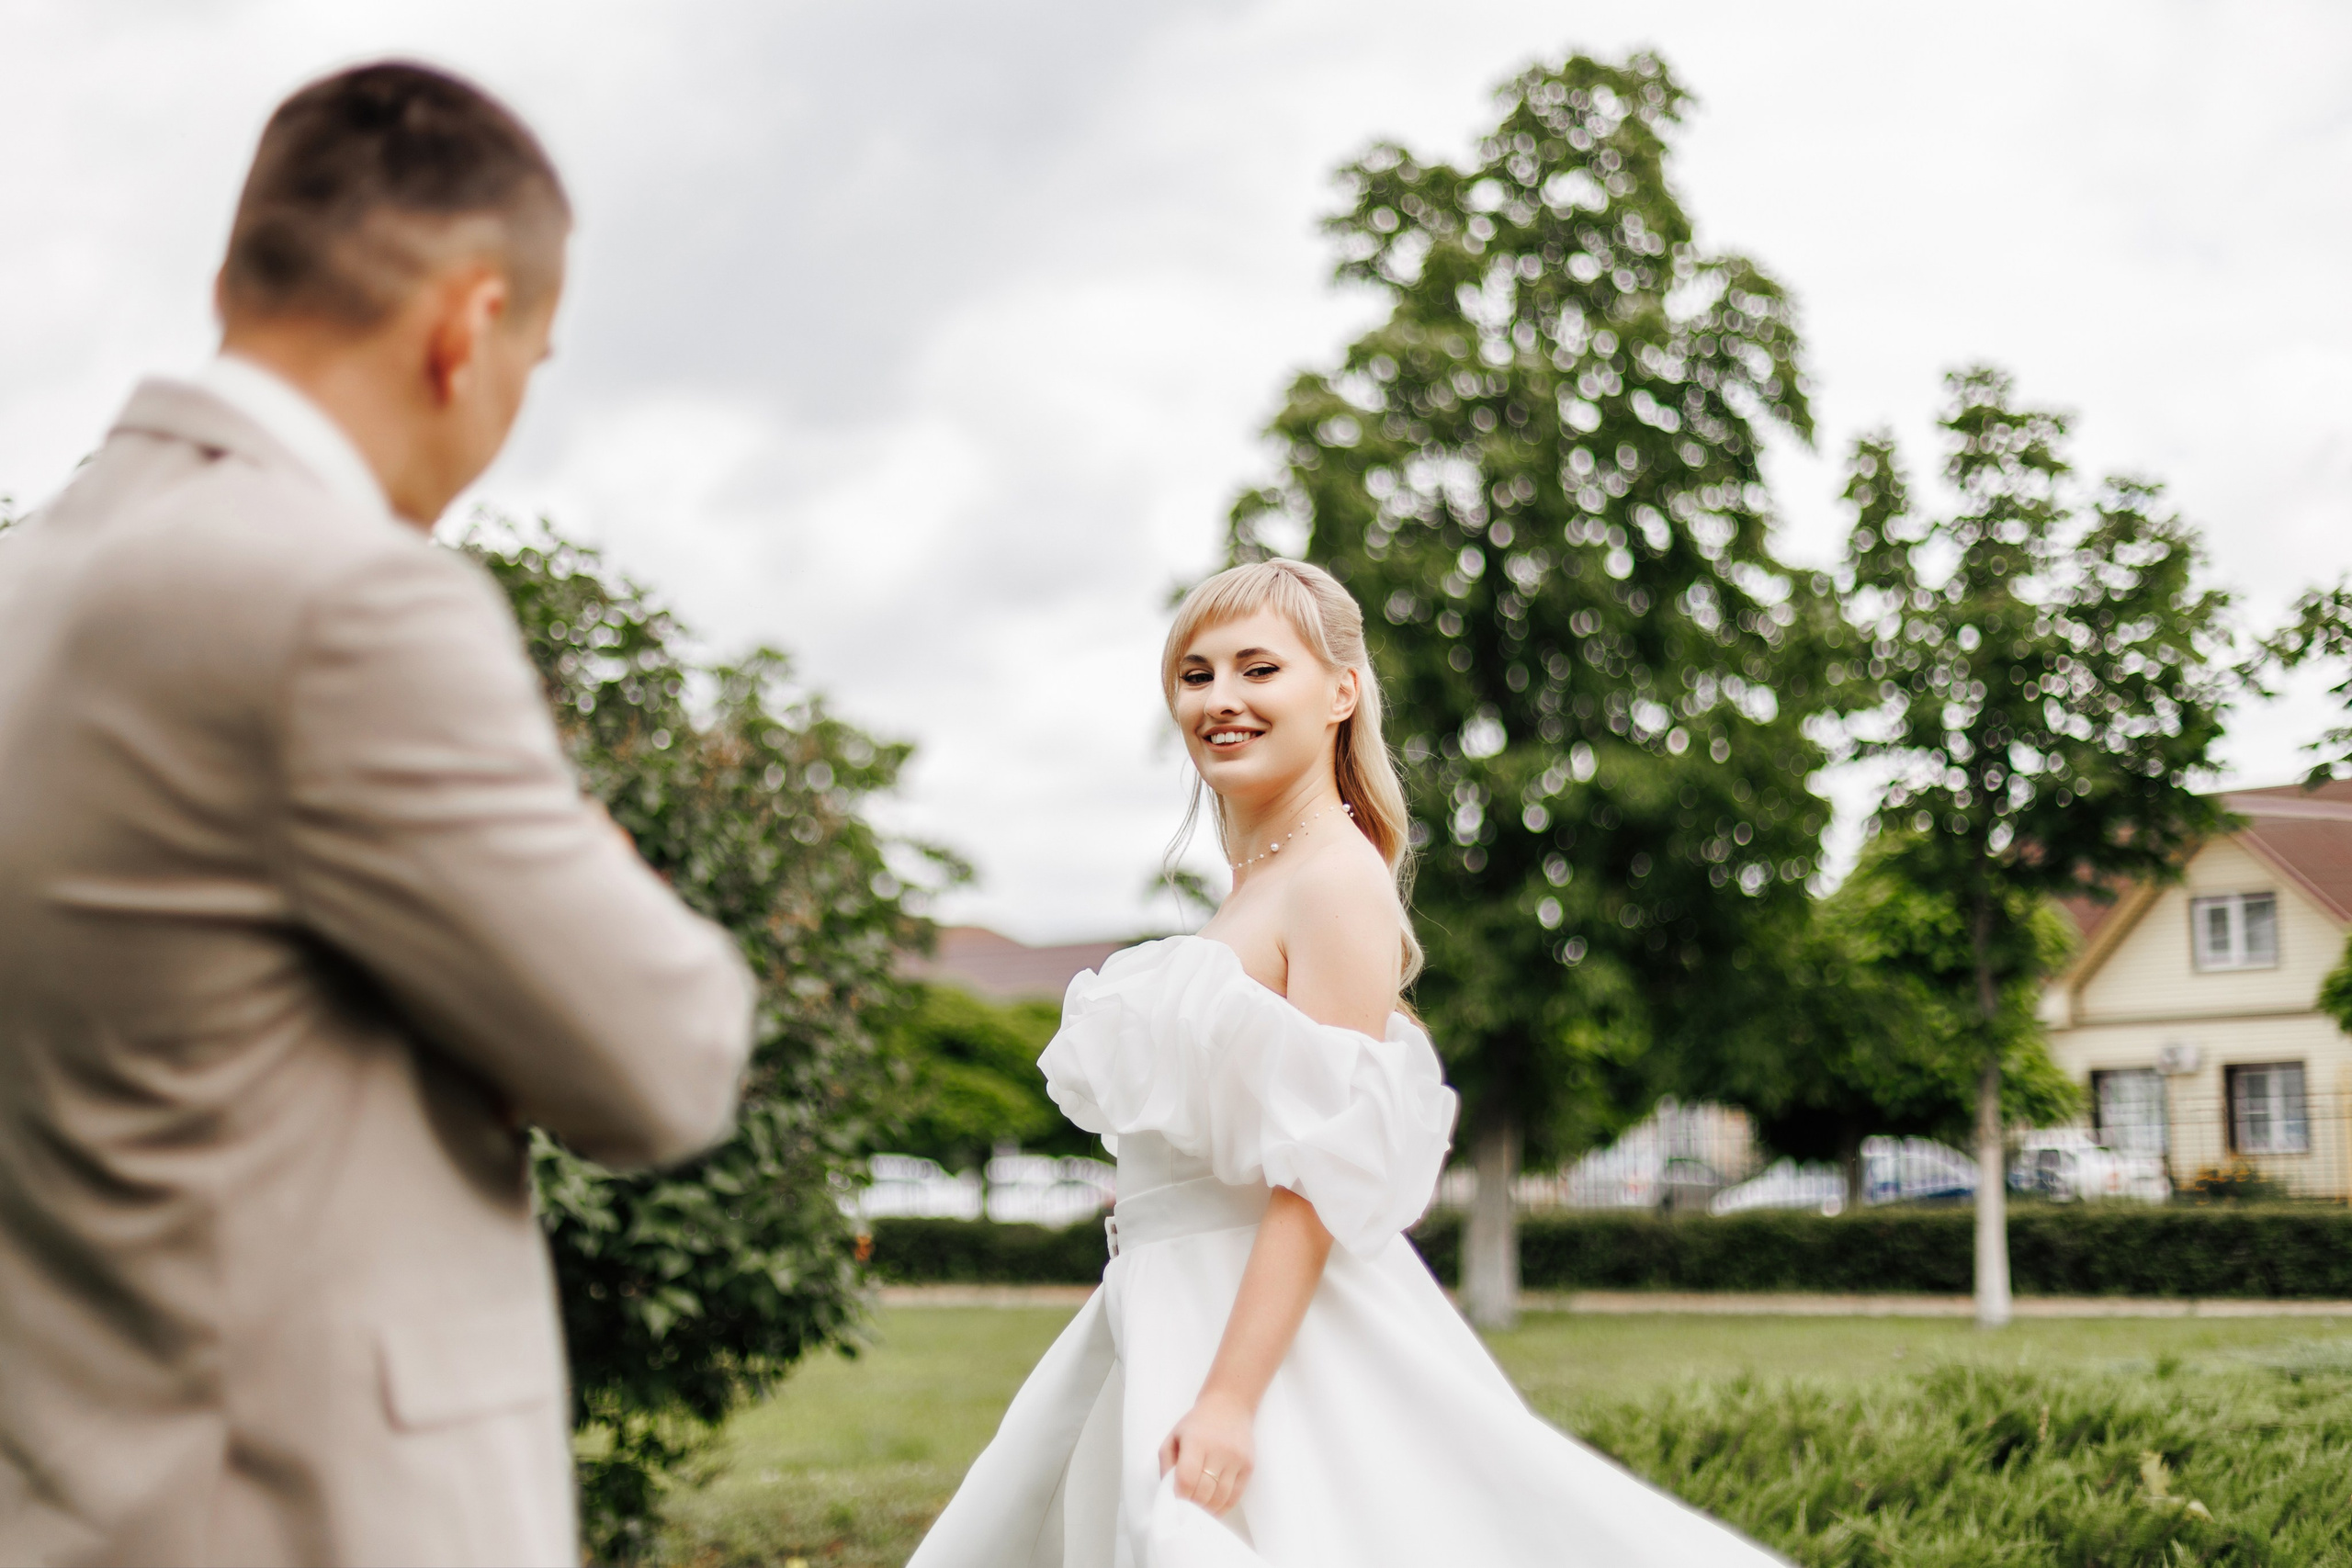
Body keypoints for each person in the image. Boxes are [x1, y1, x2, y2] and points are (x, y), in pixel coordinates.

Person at [0, 63, 756, 1567]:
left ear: (236, 271)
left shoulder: (32, 580)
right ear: (470, 325)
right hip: (310, 1511)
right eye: (533, 361)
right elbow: (668, 1060)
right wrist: (586, 872)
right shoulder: (349, 602)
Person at [908, 559, 1781, 1567]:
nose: (1220, 698)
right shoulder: (1255, 889)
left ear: (1339, 691)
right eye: (1194, 674)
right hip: (1154, 1306)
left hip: (1252, 1335)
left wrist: (1231, 1400)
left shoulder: (1334, 881)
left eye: (1256, 667)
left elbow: (1319, 1169)